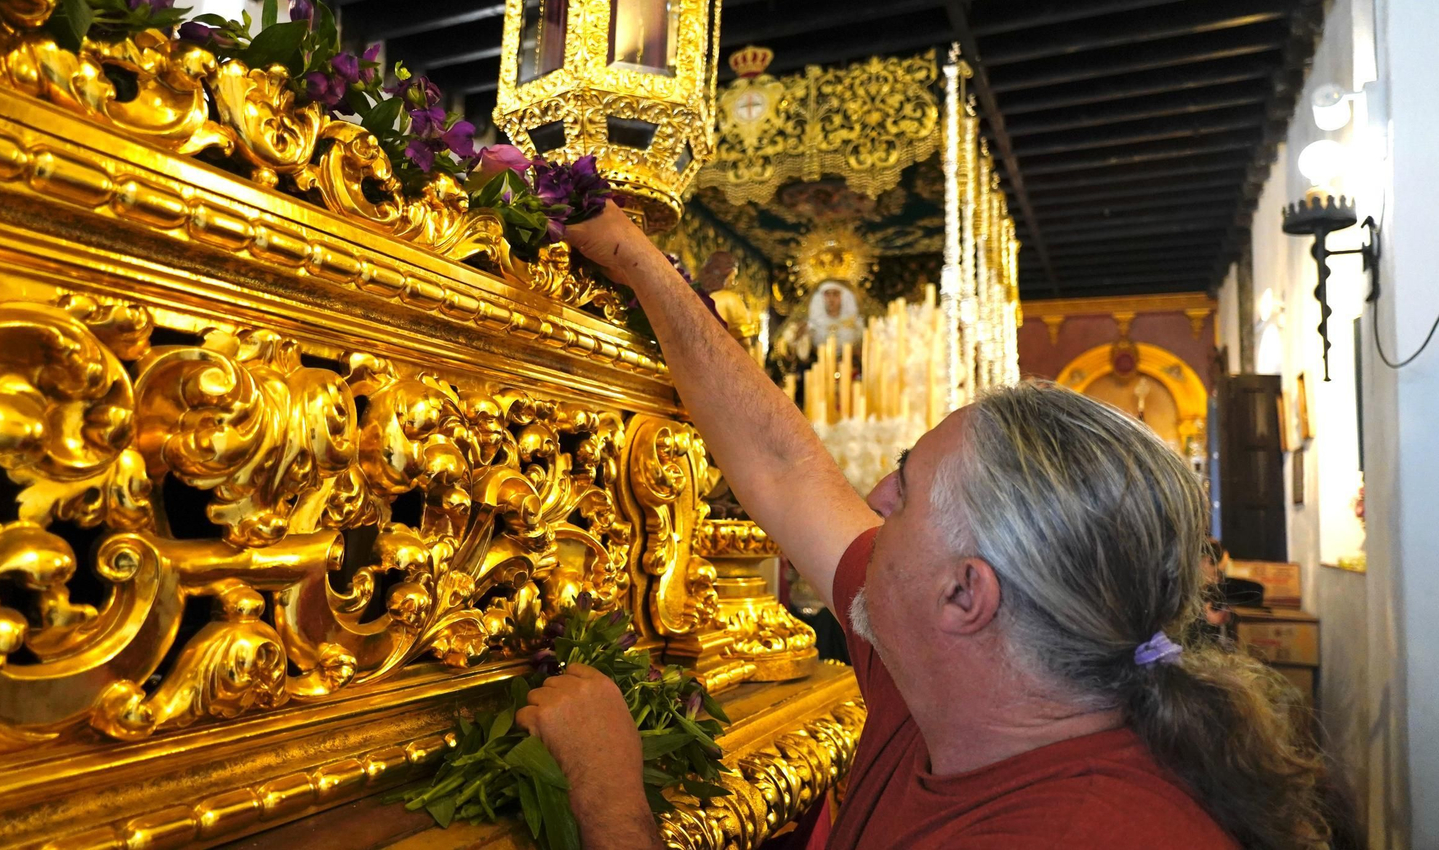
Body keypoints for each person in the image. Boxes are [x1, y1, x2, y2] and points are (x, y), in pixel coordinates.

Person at [514, 206, 1330, 850]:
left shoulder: (1081, 832)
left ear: (965, 594)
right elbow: (786, 470)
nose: (869, 497)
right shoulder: (950, 680)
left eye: (904, 492)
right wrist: (637, 261)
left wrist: (609, 797)